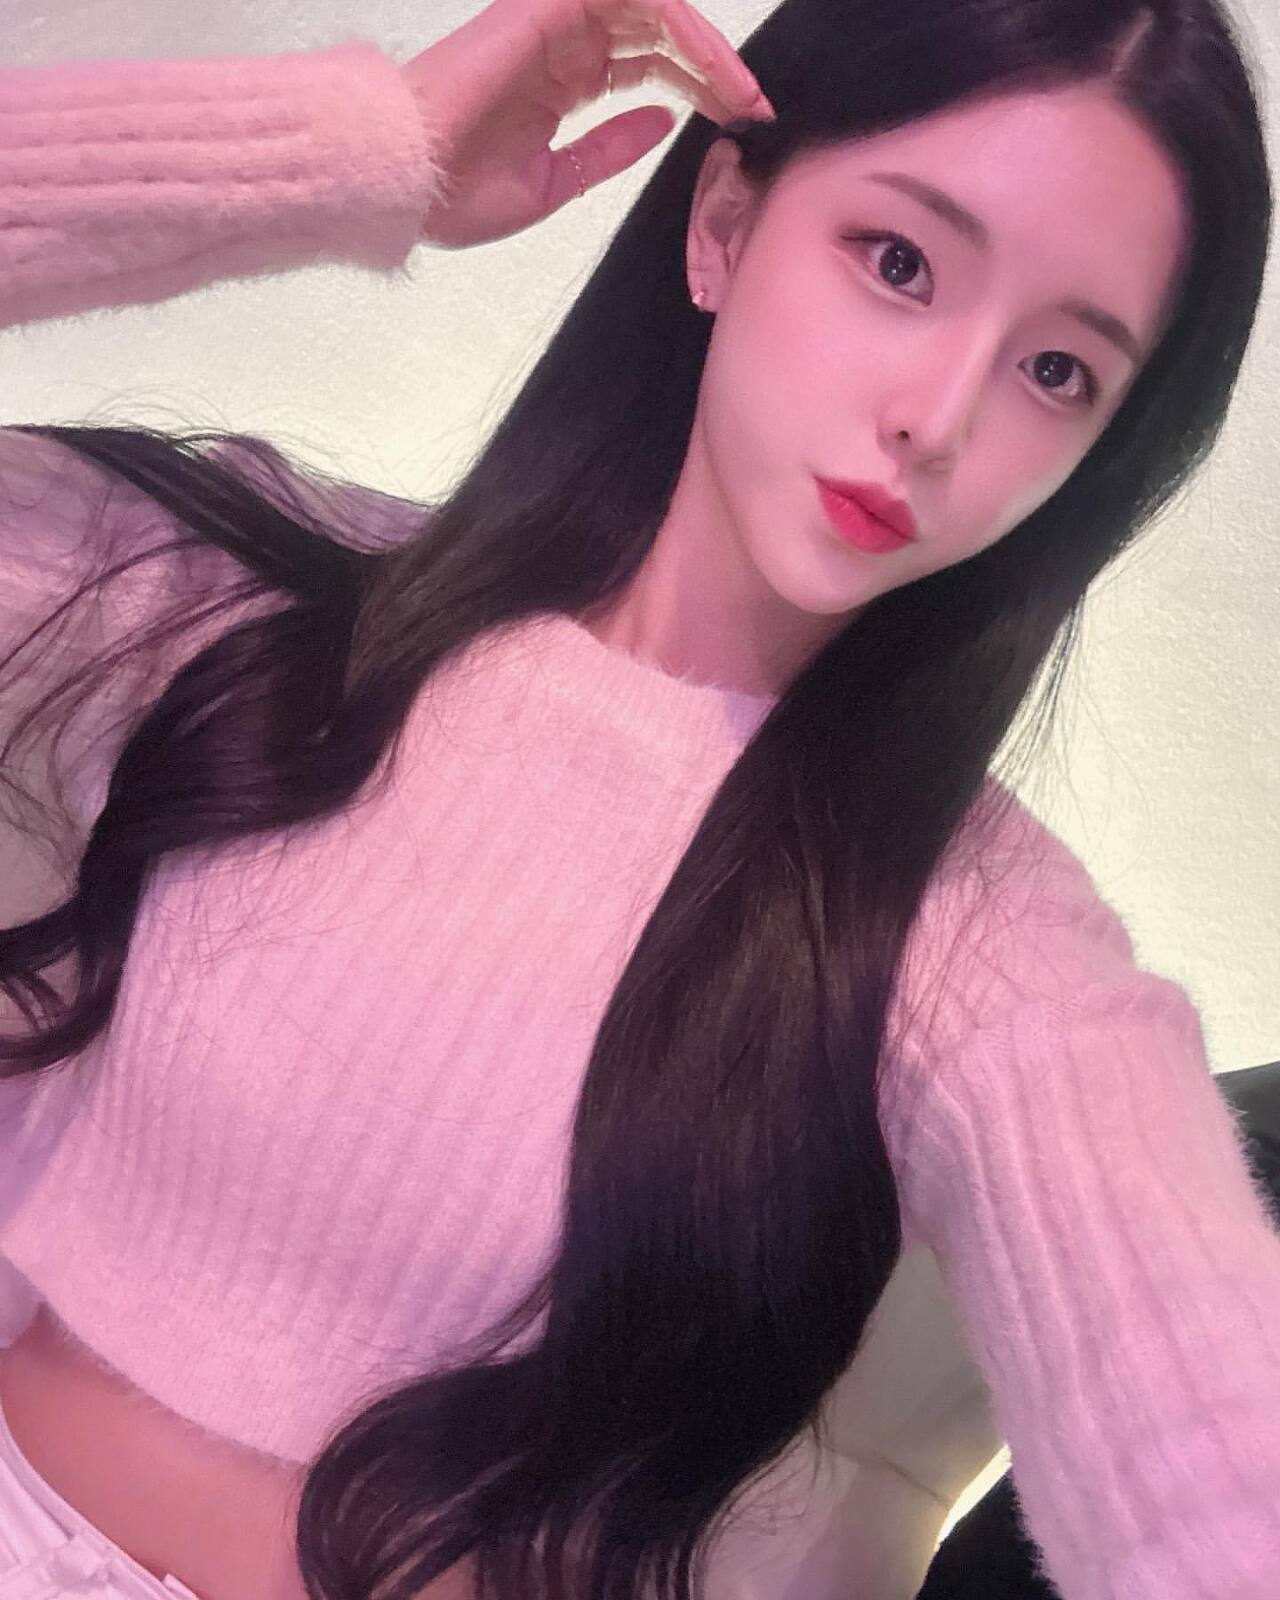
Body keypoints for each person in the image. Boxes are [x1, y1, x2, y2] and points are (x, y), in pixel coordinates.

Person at [0, 1, 1276, 1599]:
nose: (941, 417)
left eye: (1058, 370)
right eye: (899, 261)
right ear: (724, 222)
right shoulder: (228, 601)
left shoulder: (973, 935)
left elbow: (1215, 1467)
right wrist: (348, 153)